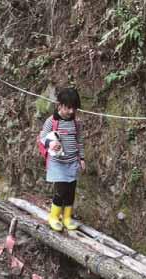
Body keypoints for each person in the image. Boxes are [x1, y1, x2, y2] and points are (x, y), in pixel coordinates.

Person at [39, 87, 85, 231]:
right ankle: (54, 217)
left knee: (71, 190)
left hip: (72, 162)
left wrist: (82, 158)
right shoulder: (51, 122)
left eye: (74, 108)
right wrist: (51, 143)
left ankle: (67, 218)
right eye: (68, 108)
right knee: (61, 190)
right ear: (59, 105)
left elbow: (79, 142)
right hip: (58, 163)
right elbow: (42, 138)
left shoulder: (76, 123)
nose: (71, 111)